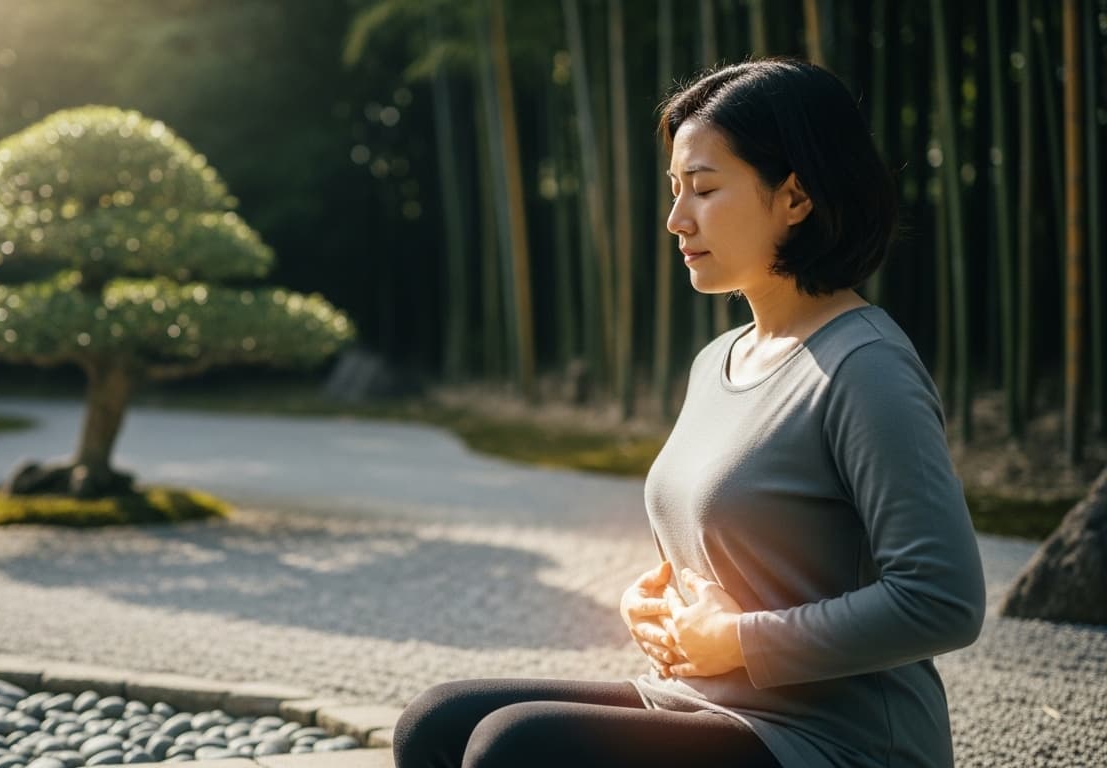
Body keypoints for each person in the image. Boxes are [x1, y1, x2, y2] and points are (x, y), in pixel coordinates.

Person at [391, 57, 986, 768]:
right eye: (675, 190)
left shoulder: (866, 367)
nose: (676, 220)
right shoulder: (717, 361)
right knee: (435, 723)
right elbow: (734, 556)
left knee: (513, 748)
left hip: (831, 741)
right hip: (700, 702)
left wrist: (737, 640)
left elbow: (941, 600)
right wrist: (651, 606)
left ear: (795, 197)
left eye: (703, 189)